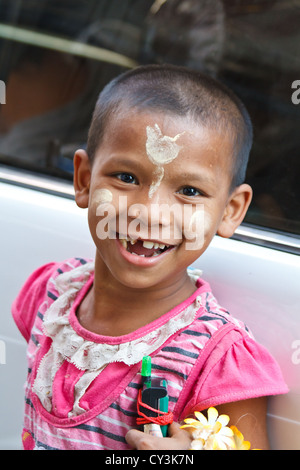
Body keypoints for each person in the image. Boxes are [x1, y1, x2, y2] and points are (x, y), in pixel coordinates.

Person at [12, 64, 288, 450]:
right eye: (126, 178)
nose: (150, 212)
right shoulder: (50, 294)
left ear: (230, 211)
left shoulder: (217, 363)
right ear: (84, 180)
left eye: (189, 191)